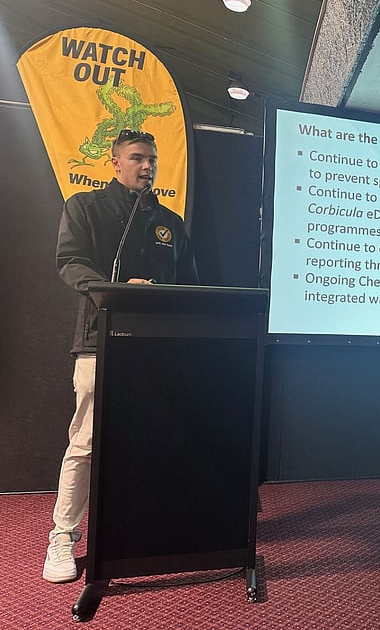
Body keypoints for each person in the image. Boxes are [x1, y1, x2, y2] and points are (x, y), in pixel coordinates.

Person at [43, 129, 199, 583]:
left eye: (152, 159)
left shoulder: (169, 221)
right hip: (100, 341)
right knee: (87, 442)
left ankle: (145, 528)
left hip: (158, 349)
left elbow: (189, 284)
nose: (147, 166)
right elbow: (70, 262)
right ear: (114, 163)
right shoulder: (85, 207)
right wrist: (116, 290)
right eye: (137, 158)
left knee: (153, 441)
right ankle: (62, 536)